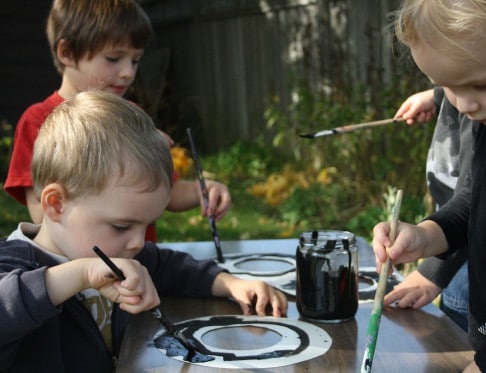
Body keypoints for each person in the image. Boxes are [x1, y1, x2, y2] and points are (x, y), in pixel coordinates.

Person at [0, 91, 287, 371]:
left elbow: (171, 266)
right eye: (121, 226)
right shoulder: (13, 266)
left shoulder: (121, 251)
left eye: (147, 225)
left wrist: (230, 284)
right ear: (56, 204)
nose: (138, 242)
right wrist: (82, 274)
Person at [373, 1, 486, 371]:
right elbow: (475, 201)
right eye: (445, 87)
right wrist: (426, 235)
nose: (463, 104)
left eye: (480, 84)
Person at [4, 0, 231, 243]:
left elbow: (164, 193)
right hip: (80, 272)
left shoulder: (131, 115)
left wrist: (202, 189)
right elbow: (42, 215)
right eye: (113, 58)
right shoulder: (38, 121)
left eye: (135, 60)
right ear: (67, 53)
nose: (128, 72)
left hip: (141, 265)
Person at [387, 86, 474, 332]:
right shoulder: (468, 93)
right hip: (452, 243)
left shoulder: (483, 116)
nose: (464, 106)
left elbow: (478, 201)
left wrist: (433, 270)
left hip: (467, 261)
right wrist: (438, 96)